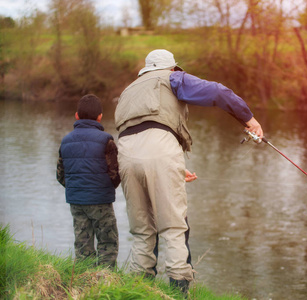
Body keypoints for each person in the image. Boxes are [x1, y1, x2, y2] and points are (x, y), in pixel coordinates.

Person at [114, 49, 263, 294]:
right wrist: (249, 119)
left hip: (126, 154)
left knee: (142, 229)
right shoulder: (172, 78)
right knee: (173, 226)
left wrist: (176, 167)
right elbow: (217, 92)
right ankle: (178, 293)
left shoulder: (129, 90)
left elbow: (141, 130)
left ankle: (138, 292)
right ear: (171, 67)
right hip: (161, 151)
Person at [57, 94, 121, 268]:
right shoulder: (106, 140)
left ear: (76, 115)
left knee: (82, 245)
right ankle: (106, 283)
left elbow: (61, 175)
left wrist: (77, 187)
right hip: (101, 200)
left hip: (76, 201)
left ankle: (84, 283)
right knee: (107, 243)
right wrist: (106, 188)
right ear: (100, 116)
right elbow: (115, 174)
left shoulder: (65, 141)